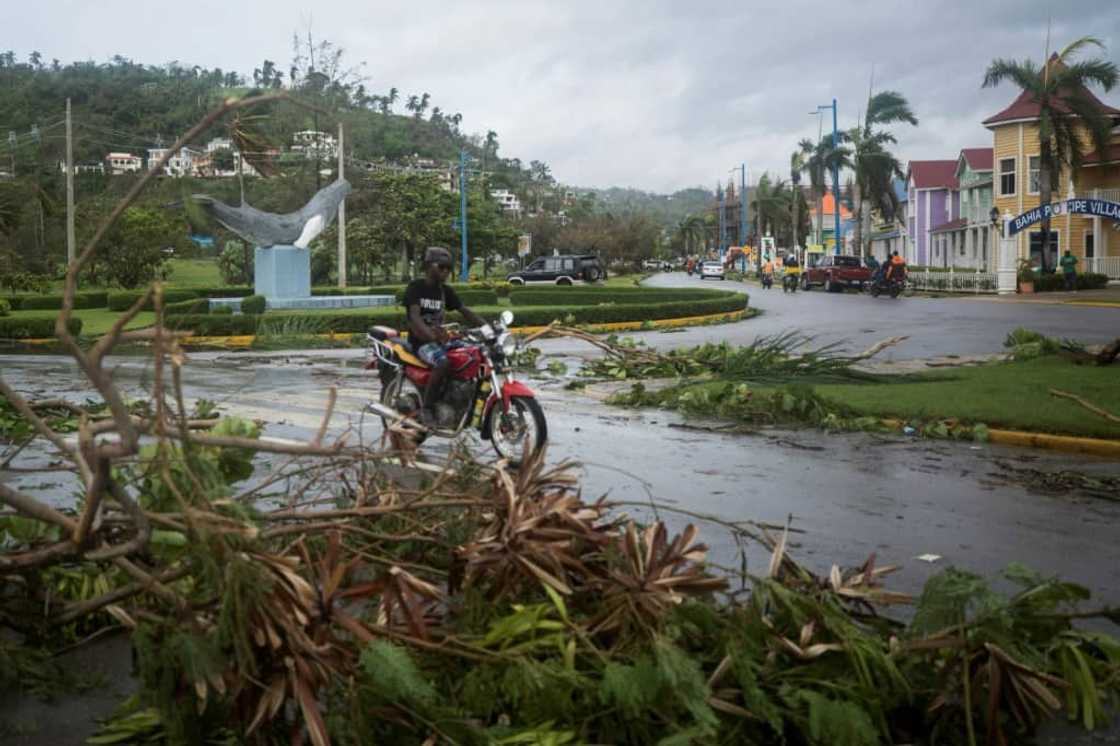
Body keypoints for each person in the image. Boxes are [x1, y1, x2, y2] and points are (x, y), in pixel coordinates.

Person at [403, 247, 488, 425]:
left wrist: (488, 328)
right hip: (421, 343)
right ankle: (426, 408)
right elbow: (415, 317)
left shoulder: (445, 292)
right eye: (441, 267)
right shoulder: (416, 288)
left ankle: (456, 400)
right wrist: (430, 335)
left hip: (440, 340)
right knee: (443, 362)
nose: (445, 271)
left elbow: (465, 311)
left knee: (473, 356)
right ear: (428, 266)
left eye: (449, 268)